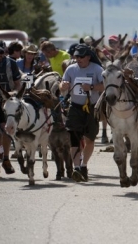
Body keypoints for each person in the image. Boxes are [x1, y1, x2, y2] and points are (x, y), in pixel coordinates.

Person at [59, 44, 104, 182]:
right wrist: (63, 86)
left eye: (81, 56)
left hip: (91, 108)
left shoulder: (97, 69)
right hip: (75, 107)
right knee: (74, 138)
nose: (78, 58)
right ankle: (77, 168)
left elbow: (105, 85)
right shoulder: (71, 69)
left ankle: (84, 165)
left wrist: (91, 87)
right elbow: (62, 85)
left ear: (88, 57)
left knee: (89, 139)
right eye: (76, 56)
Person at [0, 40, 22, 176]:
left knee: (6, 131)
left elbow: (18, 83)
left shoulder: (11, 63)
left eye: (1, 52)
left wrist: (15, 94)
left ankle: (6, 159)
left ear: (5, 51)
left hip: (8, 101)